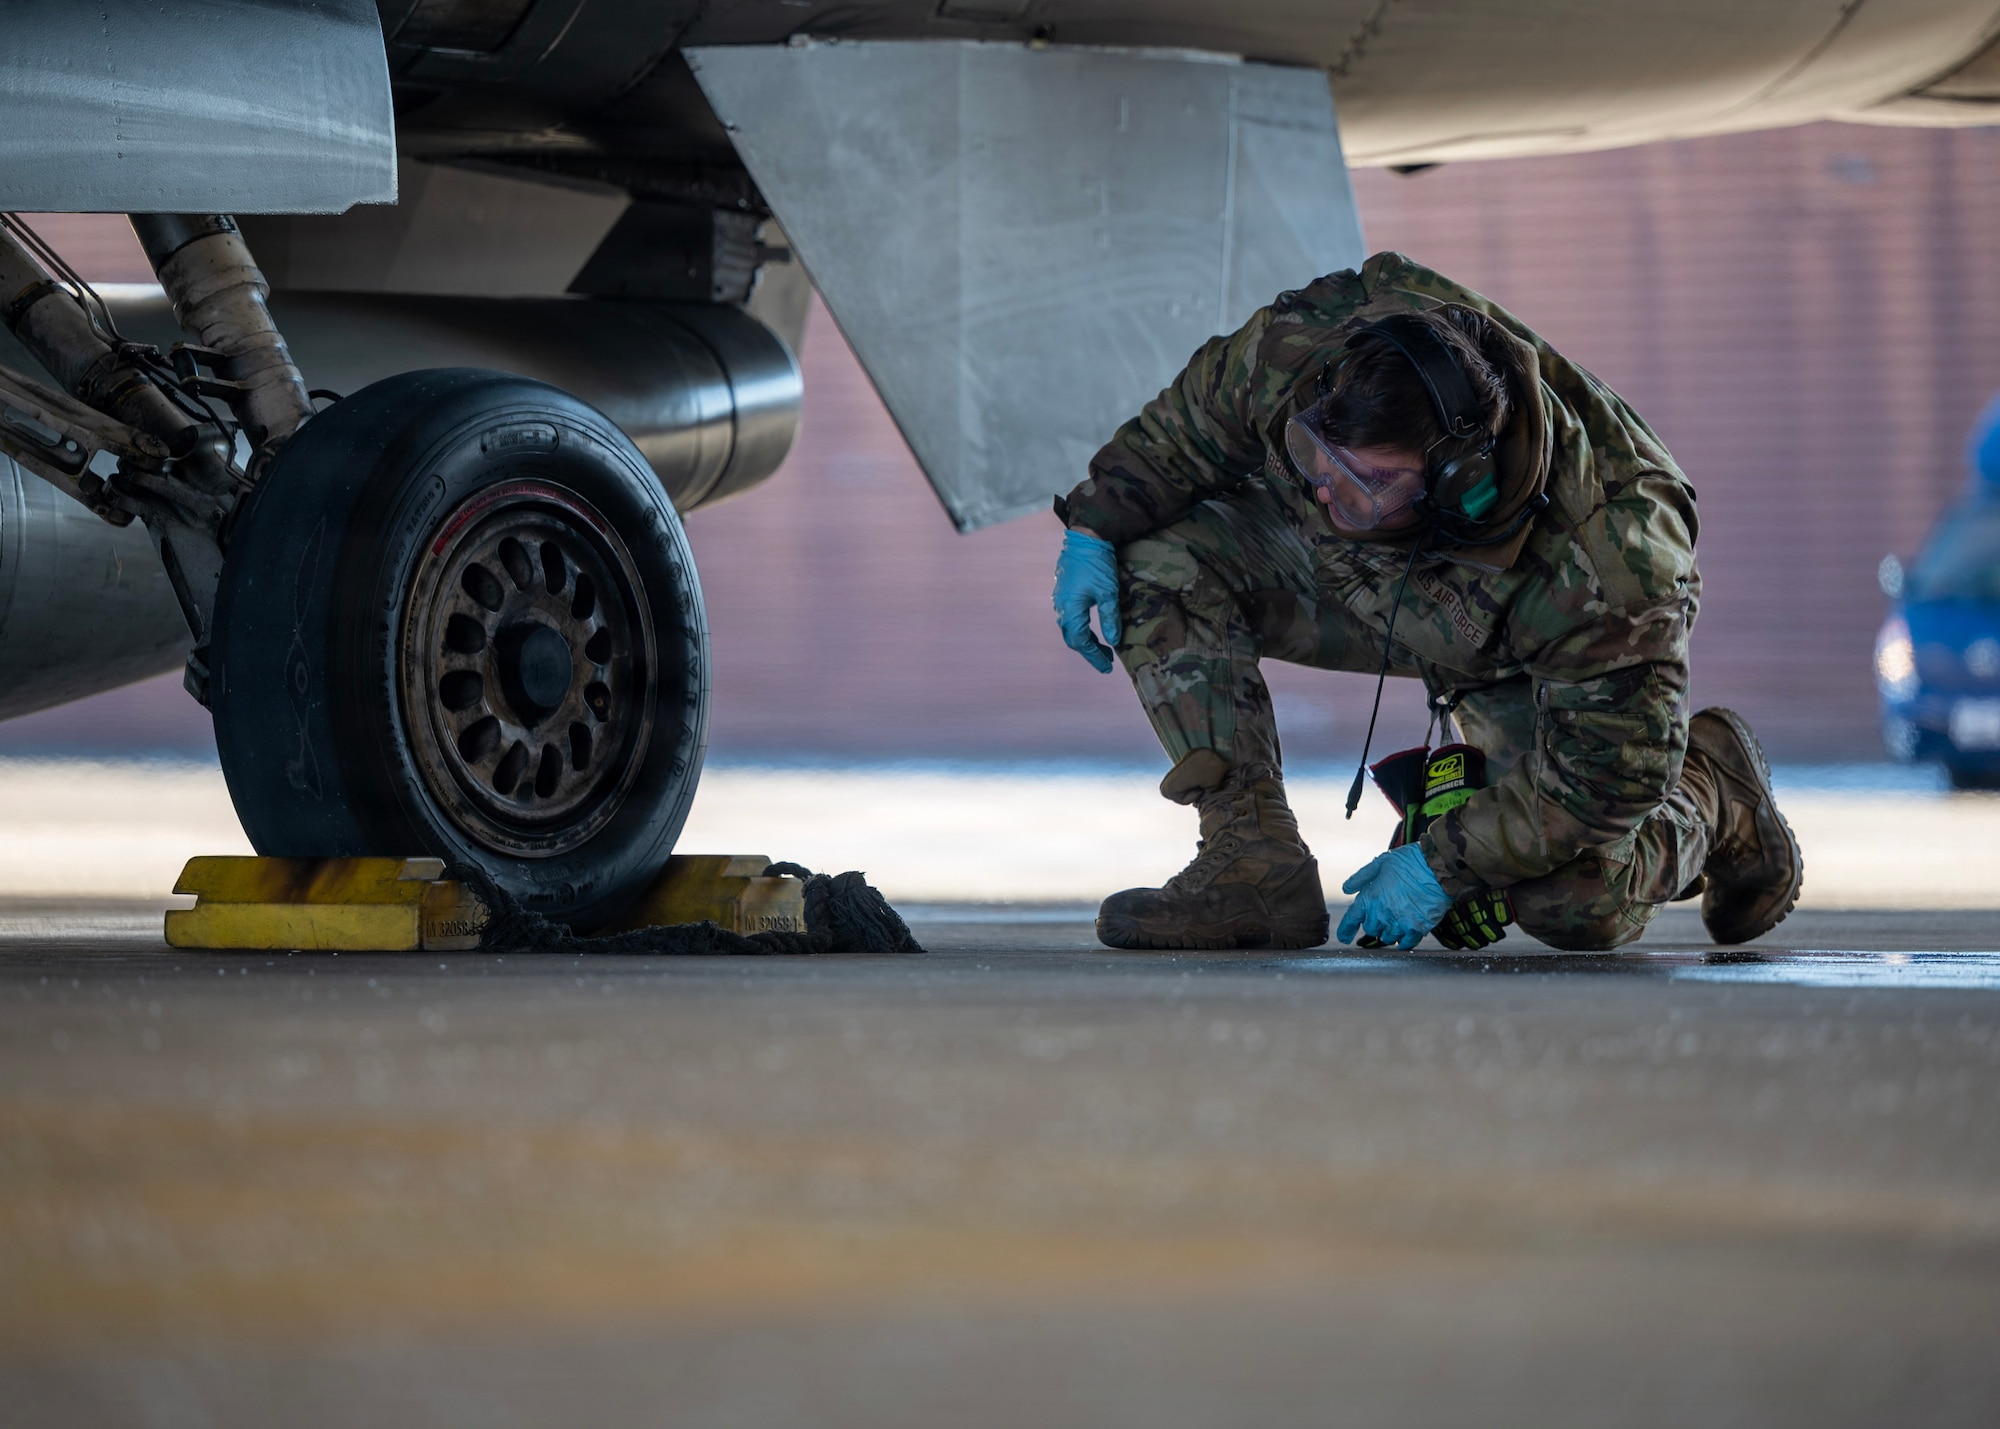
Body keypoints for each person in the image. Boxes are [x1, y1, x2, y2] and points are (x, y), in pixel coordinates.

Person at [1050, 252, 1802, 952]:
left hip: (1525, 653)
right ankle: (1252, 862)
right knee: (1156, 555)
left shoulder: (1614, 559)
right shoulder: (1319, 352)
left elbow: (1606, 777)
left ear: (1456, 482)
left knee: (1574, 898)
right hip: (1374, 573)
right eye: (1317, 458)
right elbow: (1196, 420)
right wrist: (1093, 525)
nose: (1325, 491)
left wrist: (1442, 863)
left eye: (1366, 482)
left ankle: (1715, 793)